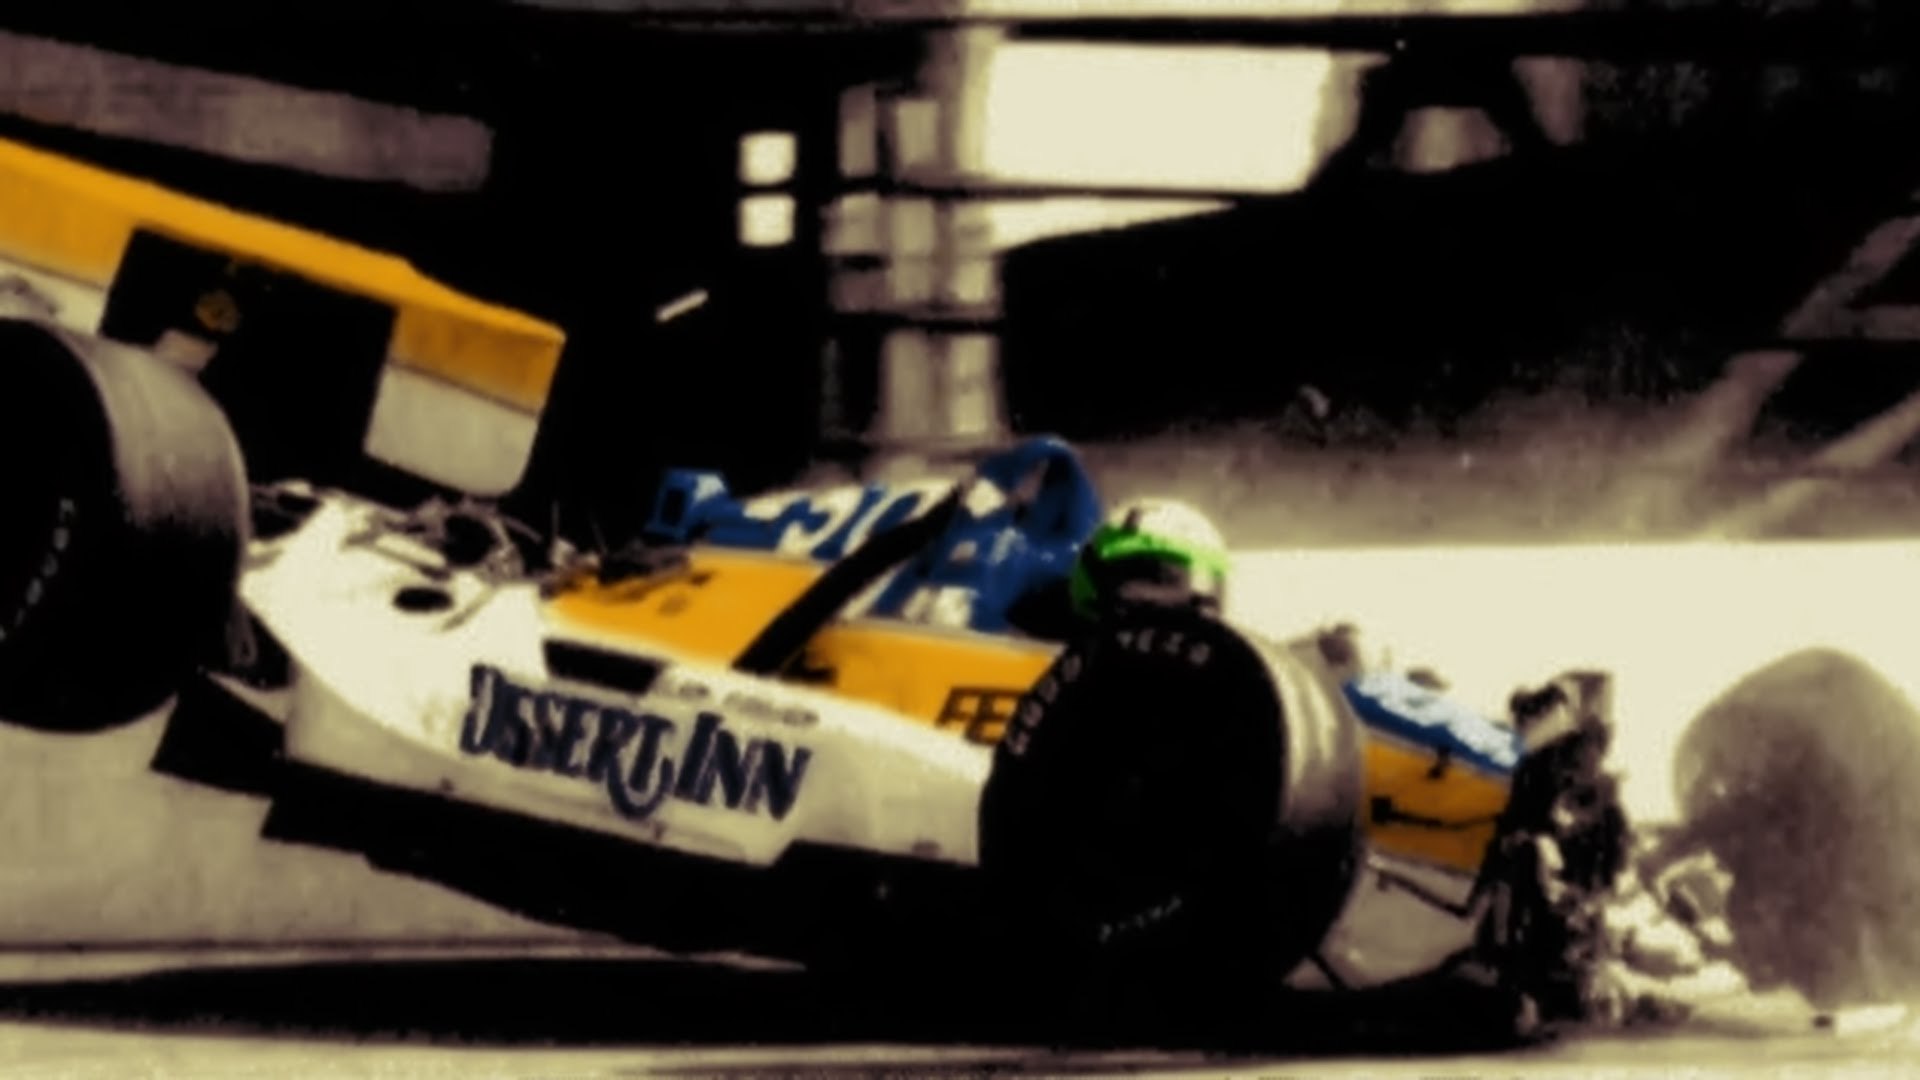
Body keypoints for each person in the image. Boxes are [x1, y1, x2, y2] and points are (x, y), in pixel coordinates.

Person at [1005, 497, 1231, 639]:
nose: (1155, 599)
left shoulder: (1231, 667)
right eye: (1146, 574)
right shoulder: (1038, 649)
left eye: (1170, 579)